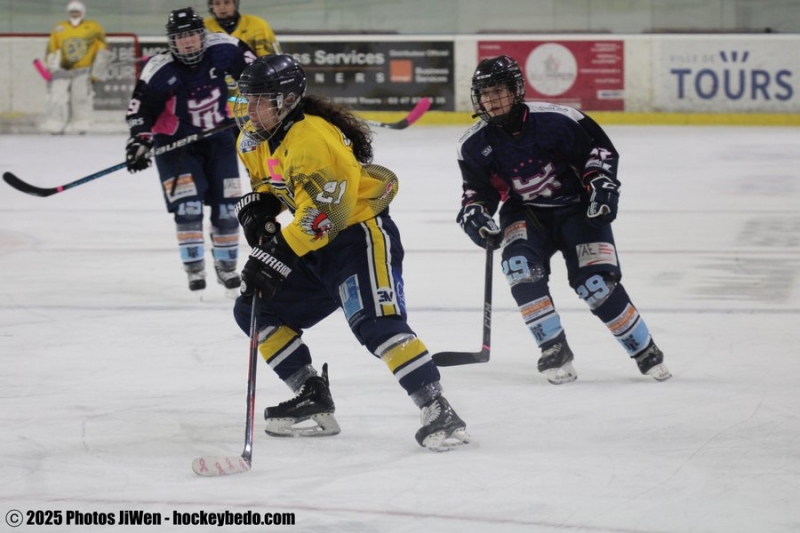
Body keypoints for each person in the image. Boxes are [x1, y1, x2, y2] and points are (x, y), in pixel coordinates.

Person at [230, 54, 470, 451]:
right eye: (248, 99)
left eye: (261, 99)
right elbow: (275, 182)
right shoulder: (252, 140)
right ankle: (311, 393)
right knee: (255, 310)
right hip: (316, 247)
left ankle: (437, 407)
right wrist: (258, 207)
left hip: (357, 236)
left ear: (288, 100)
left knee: (376, 324)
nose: (251, 109)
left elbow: (328, 214)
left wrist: (274, 256)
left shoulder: (314, 139)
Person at [456, 55, 672, 384]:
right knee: (519, 268)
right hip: (526, 213)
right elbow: (479, 190)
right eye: (484, 94)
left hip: (578, 210)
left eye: (497, 91)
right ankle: (553, 347)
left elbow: (598, 153)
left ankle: (644, 349)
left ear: (516, 90)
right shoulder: (473, 144)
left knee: (595, 285)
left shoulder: (559, 120)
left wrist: (601, 185)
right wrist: (477, 213)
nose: (490, 100)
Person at [124, 7, 256, 294]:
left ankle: (226, 267)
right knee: (188, 207)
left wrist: (264, 103)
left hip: (219, 138)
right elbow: (139, 110)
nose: (187, 42)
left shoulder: (223, 49)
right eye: (180, 37)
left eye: (192, 35)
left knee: (226, 209)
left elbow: (255, 73)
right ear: (172, 41)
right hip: (175, 146)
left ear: (202, 35)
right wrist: (139, 140)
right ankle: (194, 268)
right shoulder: (160, 68)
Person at [40, 0, 111, 134]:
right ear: (67, 13)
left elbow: (103, 49)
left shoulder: (93, 28)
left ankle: (81, 124)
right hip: (61, 71)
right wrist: (51, 62)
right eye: (72, 12)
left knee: (81, 98)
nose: (74, 14)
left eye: (77, 11)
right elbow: (51, 47)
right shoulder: (59, 28)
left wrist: (98, 69)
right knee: (57, 99)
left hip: (83, 71)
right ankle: (55, 124)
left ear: (83, 12)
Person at [204, 0, 282, 57]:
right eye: (217, 3)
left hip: (253, 76)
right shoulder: (204, 26)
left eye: (227, 2)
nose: (222, 7)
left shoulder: (257, 24)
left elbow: (270, 59)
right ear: (212, 6)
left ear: (235, 4)